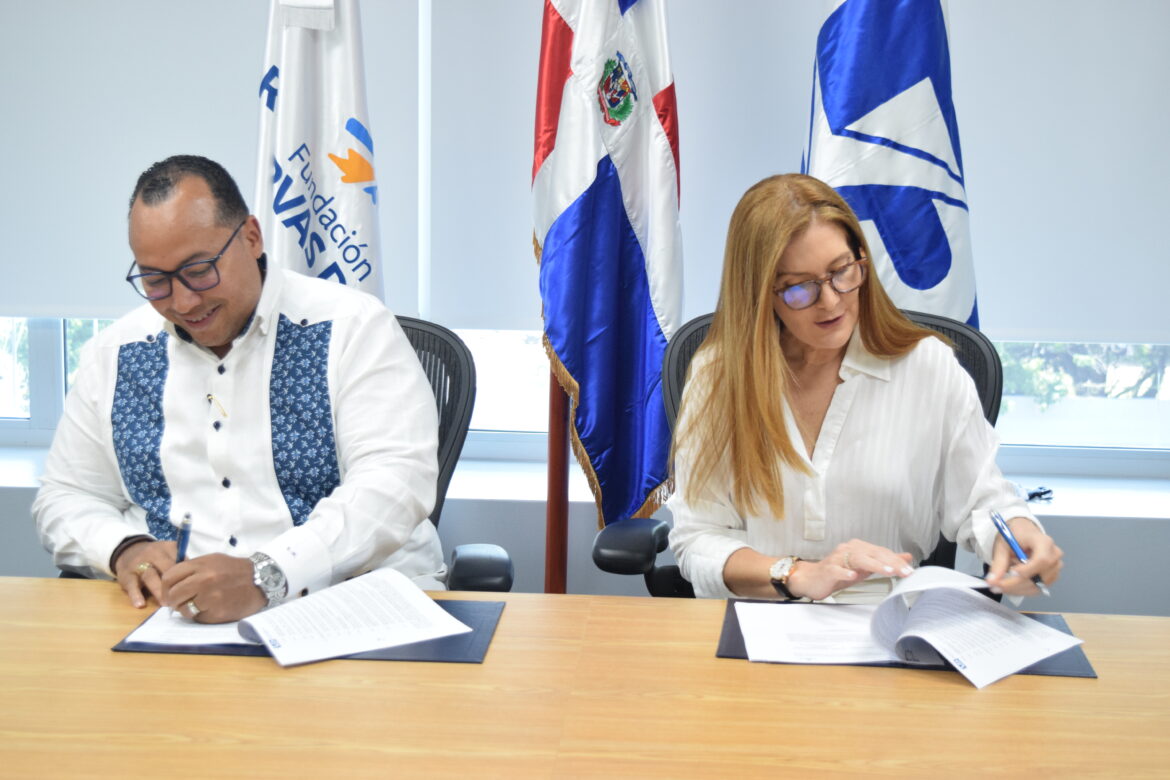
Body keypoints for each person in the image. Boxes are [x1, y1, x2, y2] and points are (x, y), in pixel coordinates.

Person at [34, 155, 444, 623]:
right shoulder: (114, 353)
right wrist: (122, 548)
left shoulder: (352, 327)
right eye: (155, 280)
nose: (184, 301)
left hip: (351, 605)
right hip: (181, 622)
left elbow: (394, 480)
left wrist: (267, 575)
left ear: (251, 237)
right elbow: (65, 495)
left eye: (199, 269)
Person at [668, 173, 1063, 603]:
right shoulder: (719, 376)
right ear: (759, 294)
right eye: (800, 288)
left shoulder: (928, 367)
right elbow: (697, 537)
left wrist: (1020, 534)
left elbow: (983, 503)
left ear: (862, 259)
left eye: (841, 271)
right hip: (755, 624)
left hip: (887, 627)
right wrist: (797, 575)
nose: (832, 301)